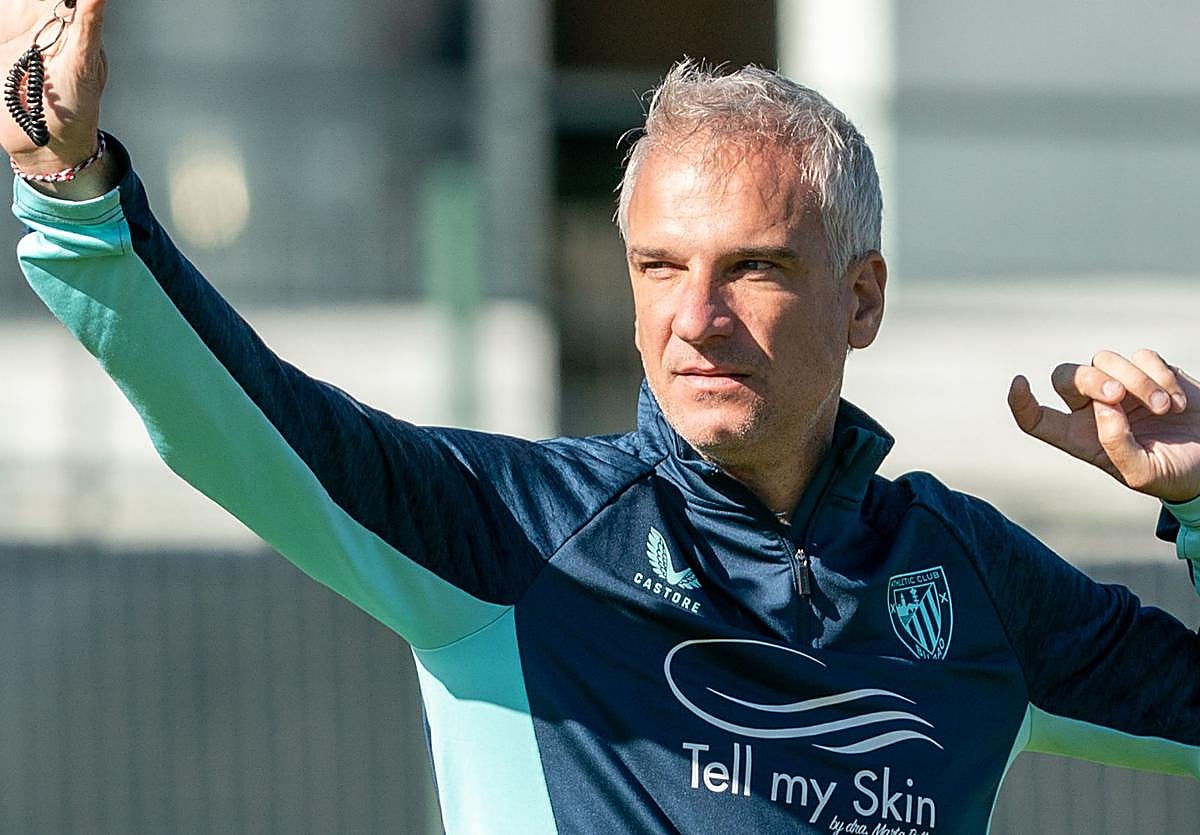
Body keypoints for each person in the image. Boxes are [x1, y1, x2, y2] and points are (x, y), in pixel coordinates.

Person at [5, 2, 1198, 833]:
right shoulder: (523, 537)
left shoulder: (969, 577)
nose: (698, 317)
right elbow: (242, 419)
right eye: (660, 267)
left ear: (863, 298)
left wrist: (1197, 503)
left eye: (756, 269)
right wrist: (75, 194)